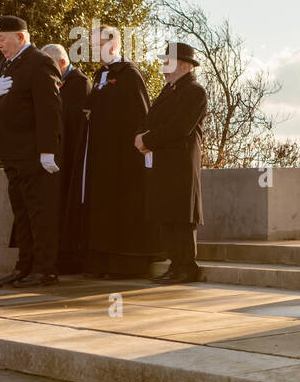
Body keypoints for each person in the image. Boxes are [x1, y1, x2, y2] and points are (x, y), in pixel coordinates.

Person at [0, 15, 64, 287]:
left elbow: (49, 109)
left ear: (21, 36)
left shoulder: (40, 62)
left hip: (33, 153)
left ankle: (44, 268)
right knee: (22, 213)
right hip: (12, 153)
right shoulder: (5, 64)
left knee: (39, 212)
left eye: (2, 39)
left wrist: (48, 150)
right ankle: (25, 266)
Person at [74, 25, 157, 278]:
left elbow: (141, 113)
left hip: (122, 157)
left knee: (121, 210)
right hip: (100, 155)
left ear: (114, 44)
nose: (95, 50)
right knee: (102, 210)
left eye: (99, 44)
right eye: (92, 45)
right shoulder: (100, 74)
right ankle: (101, 263)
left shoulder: (129, 73)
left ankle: (125, 266)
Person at [137, 42, 210, 284]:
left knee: (181, 215)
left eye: (167, 63)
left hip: (181, 162)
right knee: (167, 214)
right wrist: (142, 137)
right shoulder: (168, 90)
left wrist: (147, 139)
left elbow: (180, 127)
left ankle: (186, 266)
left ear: (184, 65)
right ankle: (174, 264)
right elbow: (152, 119)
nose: (163, 68)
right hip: (163, 161)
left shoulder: (194, 91)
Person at [40, 43, 91, 274]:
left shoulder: (80, 84)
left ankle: (70, 258)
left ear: (62, 63)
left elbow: (75, 123)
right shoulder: (51, 82)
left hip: (70, 156)